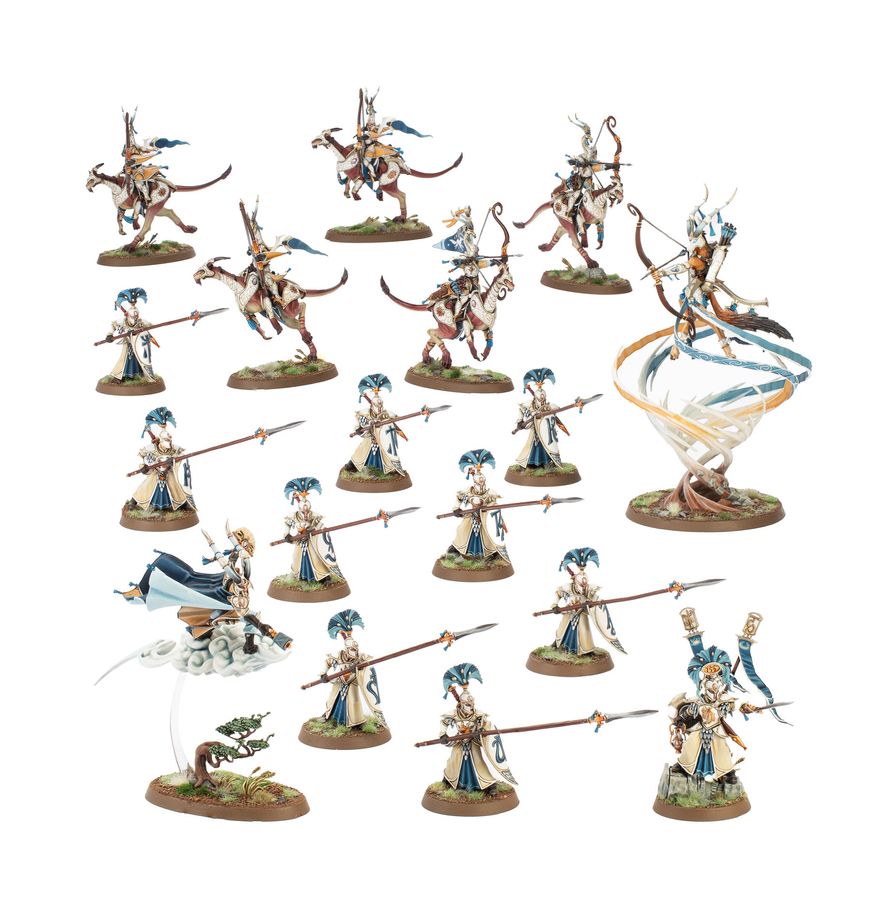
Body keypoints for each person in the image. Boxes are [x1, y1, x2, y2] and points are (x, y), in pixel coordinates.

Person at [438, 663, 516, 795]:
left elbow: (485, 727)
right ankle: (448, 780)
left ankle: (488, 785)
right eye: (468, 705)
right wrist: (443, 735)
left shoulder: (478, 715)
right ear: (462, 704)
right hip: (459, 743)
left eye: (472, 704)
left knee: (479, 764)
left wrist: (479, 733)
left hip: (473, 744)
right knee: (453, 763)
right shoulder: (454, 714)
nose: (471, 707)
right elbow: (444, 722)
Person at [551, 548, 626, 656]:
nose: (583, 588)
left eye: (584, 585)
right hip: (569, 611)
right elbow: (558, 593)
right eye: (581, 585)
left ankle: (586, 650)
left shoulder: (588, 588)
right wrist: (555, 605)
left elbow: (594, 598)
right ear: (575, 581)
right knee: (562, 629)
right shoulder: (569, 587)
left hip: (581, 612)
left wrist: (595, 603)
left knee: (584, 630)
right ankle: (557, 644)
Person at [317, 610, 385, 728]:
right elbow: (328, 662)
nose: (354, 652)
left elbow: (367, 669)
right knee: (332, 700)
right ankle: (328, 716)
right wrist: (323, 673)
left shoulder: (360, 657)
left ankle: (356, 722)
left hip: (352, 682)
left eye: (355, 650)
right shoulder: (340, 655)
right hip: (340, 681)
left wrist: (358, 669)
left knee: (354, 702)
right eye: (352, 650)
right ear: (346, 649)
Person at [128, 407, 195, 515]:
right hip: (155, 473)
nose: (167, 444)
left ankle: (183, 503)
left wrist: (174, 461)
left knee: (175, 487)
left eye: (169, 441)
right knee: (145, 486)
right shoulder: (152, 449)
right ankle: (134, 501)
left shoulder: (173, 448)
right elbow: (145, 459)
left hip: (169, 473)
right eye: (165, 441)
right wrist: (146, 467)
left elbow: (181, 455)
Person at [447, 450, 509, 564]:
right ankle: (457, 549)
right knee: (462, 530)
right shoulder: (469, 491)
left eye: (483, 483)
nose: (481, 485)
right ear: (475, 483)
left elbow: (495, 509)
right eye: (479, 483)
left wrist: (500, 522)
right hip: (471, 516)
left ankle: (490, 553)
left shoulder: (490, 493)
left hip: (484, 517)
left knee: (485, 535)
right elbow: (459, 498)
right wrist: (456, 509)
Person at [282, 477, 343, 585]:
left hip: (312, 542)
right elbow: (287, 523)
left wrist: (315, 530)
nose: (305, 514)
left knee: (316, 559)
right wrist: (287, 534)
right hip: (300, 542)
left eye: (307, 511)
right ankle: (301, 577)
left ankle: (323, 577)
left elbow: (320, 526)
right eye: (303, 511)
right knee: (297, 559)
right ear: (300, 509)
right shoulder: (295, 516)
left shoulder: (314, 515)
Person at [346, 374, 405, 479]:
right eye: (377, 406)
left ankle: (389, 470)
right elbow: (358, 428)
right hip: (370, 439)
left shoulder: (387, 414)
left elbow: (393, 424)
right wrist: (361, 430)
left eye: (381, 405)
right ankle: (353, 465)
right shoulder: (365, 414)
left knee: (387, 456)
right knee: (360, 451)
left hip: (382, 441)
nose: (379, 408)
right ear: (372, 405)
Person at [105, 288, 156, 382]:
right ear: (127, 314)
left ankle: (139, 375)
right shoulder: (124, 321)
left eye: (136, 316)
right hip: (128, 342)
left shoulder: (141, 321)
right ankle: (119, 376)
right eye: (133, 316)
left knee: (138, 358)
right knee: (125, 358)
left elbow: (150, 326)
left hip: (137, 344)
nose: (135, 318)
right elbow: (114, 325)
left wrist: (147, 329)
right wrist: (109, 335)